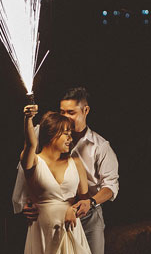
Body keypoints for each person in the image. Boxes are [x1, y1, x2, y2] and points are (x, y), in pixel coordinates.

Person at [13, 87, 120, 254]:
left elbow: (111, 186)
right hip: (47, 217)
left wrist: (89, 202)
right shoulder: (43, 132)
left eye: (71, 112)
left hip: (88, 212)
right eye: (62, 112)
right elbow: (26, 168)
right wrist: (26, 201)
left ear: (86, 110)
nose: (66, 117)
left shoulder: (100, 146)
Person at [20, 107, 92, 254]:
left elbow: (85, 202)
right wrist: (28, 119)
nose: (70, 139)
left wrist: (73, 209)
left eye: (70, 134)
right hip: (42, 231)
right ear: (51, 134)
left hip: (70, 228)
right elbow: (30, 145)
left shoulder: (76, 163)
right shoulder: (33, 162)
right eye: (66, 134)